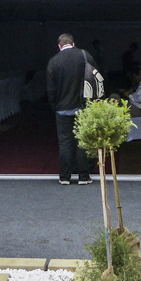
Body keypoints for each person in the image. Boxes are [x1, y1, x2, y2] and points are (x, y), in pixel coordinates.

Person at [46, 33, 97, 186]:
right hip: (83, 107)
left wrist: (54, 105)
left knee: (65, 143)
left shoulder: (53, 61)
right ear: (73, 44)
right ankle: (83, 176)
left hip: (62, 108)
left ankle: (65, 176)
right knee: (82, 142)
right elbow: (95, 78)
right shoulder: (85, 56)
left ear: (59, 46)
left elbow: (51, 89)